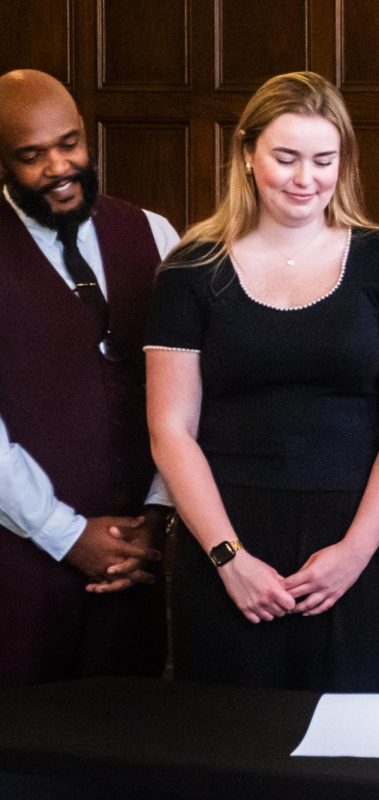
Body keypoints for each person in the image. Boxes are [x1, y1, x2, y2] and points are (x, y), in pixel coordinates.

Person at [145, 71, 379, 691]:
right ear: (248, 155)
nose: (306, 179)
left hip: (354, 538)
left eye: (323, 160)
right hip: (226, 537)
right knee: (229, 749)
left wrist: (356, 552)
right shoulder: (192, 268)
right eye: (286, 158)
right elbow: (170, 430)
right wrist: (229, 559)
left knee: (350, 760)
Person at [0, 69, 178, 685]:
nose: (58, 166)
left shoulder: (154, 234)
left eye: (69, 143)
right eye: (31, 155)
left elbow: (185, 397)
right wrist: (65, 534)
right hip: (22, 568)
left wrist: (155, 516)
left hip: (140, 563)